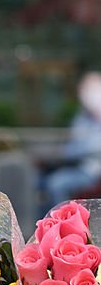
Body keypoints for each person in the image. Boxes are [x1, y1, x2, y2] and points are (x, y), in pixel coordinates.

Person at [43, 72, 101, 208]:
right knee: (40, 180)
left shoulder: (96, 118)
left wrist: (67, 153)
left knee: (56, 184)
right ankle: (45, 223)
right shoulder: (82, 116)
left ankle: (60, 223)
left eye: (90, 89)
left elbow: (90, 148)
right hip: (75, 166)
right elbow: (74, 143)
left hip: (91, 171)